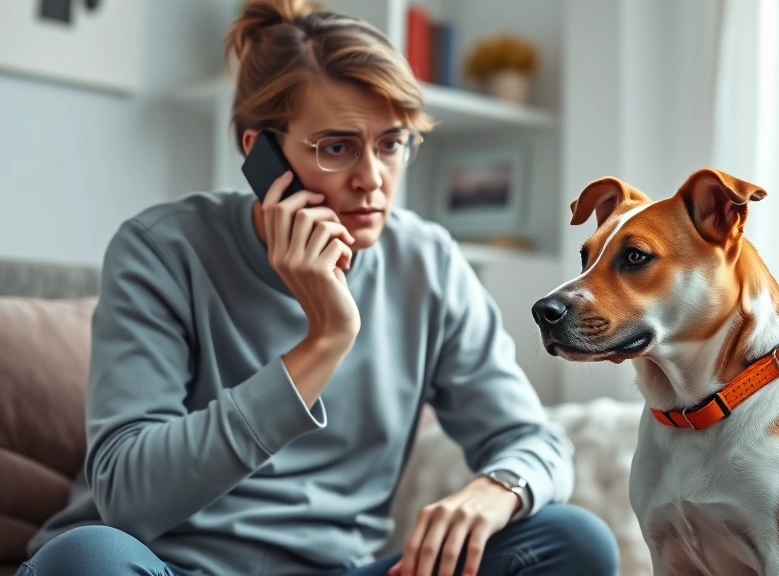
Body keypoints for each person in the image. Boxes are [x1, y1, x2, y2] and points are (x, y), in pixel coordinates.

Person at [16, 1, 619, 575]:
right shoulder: (161, 251)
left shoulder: (429, 264)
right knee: (83, 561)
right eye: (337, 148)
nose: (372, 180)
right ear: (262, 156)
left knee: (572, 541)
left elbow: (534, 441)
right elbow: (127, 495)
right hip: (165, 565)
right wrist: (325, 340)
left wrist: (501, 488)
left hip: (336, 571)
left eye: (390, 145)